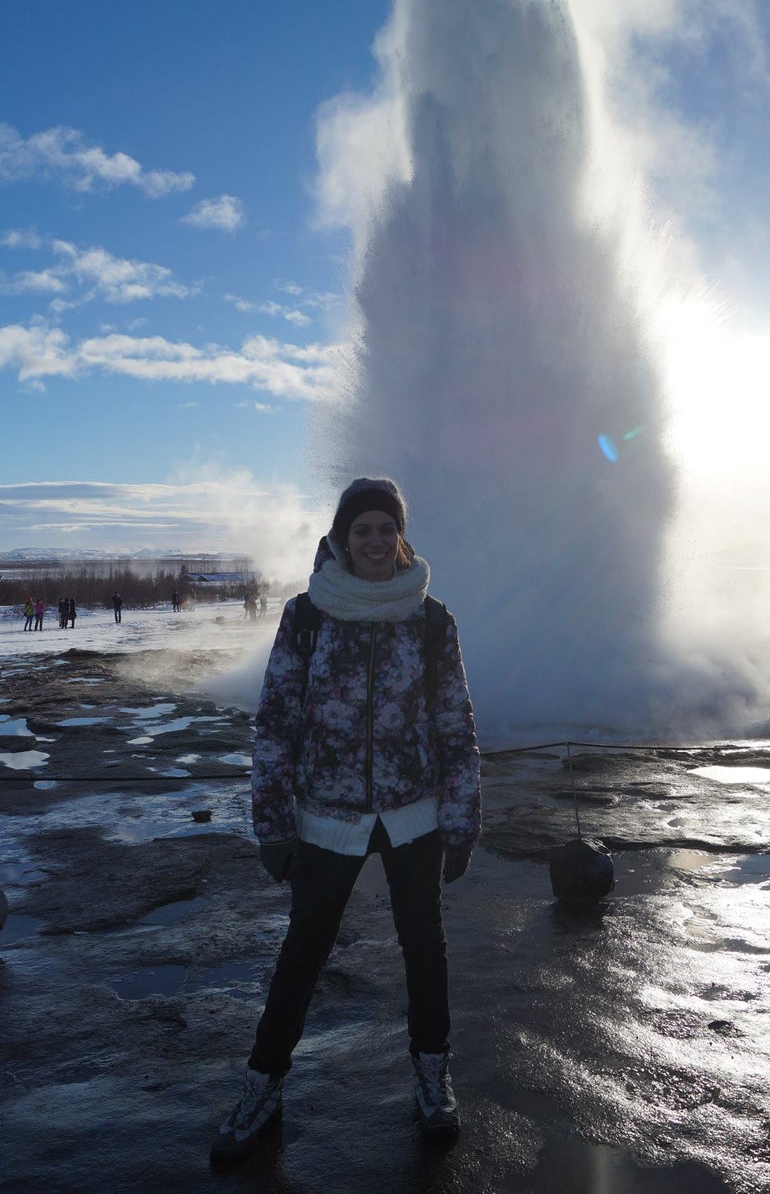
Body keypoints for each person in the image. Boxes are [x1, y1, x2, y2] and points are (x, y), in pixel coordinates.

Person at [212, 477, 481, 1163]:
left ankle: (431, 1075)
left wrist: (461, 819)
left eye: (382, 528)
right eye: (359, 529)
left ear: (400, 537)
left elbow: (453, 724)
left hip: (413, 813)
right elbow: (274, 722)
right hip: (325, 816)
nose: (371, 541)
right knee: (301, 954)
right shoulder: (307, 615)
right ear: (339, 538)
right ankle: (263, 1083)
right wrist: (272, 824)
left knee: (425, 951)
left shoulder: (429, 619)